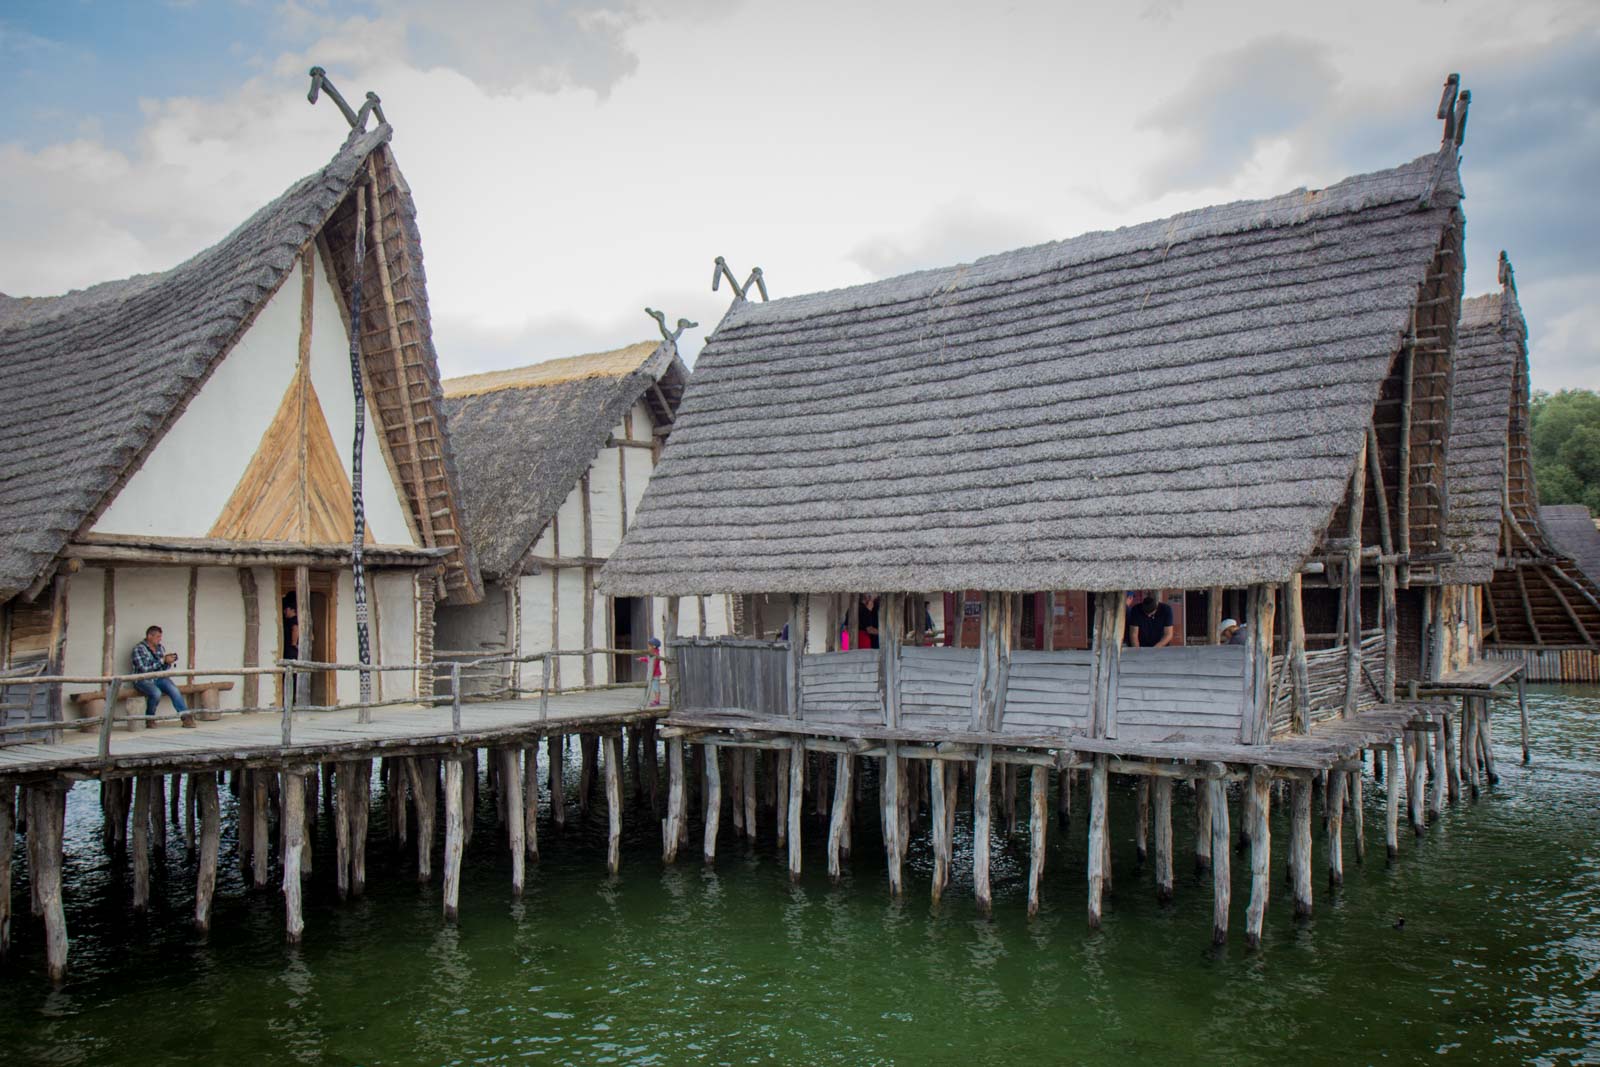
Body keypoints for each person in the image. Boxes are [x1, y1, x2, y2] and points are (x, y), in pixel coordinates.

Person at [131, 625, 195, 727]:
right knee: (156, 693)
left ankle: (186, 717)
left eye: (160, 637)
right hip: (142, 679)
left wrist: (168, 662)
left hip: (158, 678)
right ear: (149, 636)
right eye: (157, 637)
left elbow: (162, 669)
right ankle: (150, 719)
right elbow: (144, 669)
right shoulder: (138, 649)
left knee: (174, 690)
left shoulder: (160, 648)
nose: (160, 639)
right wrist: (162, 660)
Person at [638, 637, 665, 706]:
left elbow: (654, 665)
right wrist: (642, 659)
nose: (648, 647)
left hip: (655, 674)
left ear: (654, 646)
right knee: (654, 687)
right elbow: (648, 660)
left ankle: (657, 701)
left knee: (656, 687)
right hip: (653, 673)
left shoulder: (655, 654)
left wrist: (652, 674)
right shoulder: (653, 653)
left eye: (649, 645)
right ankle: (656, 700)